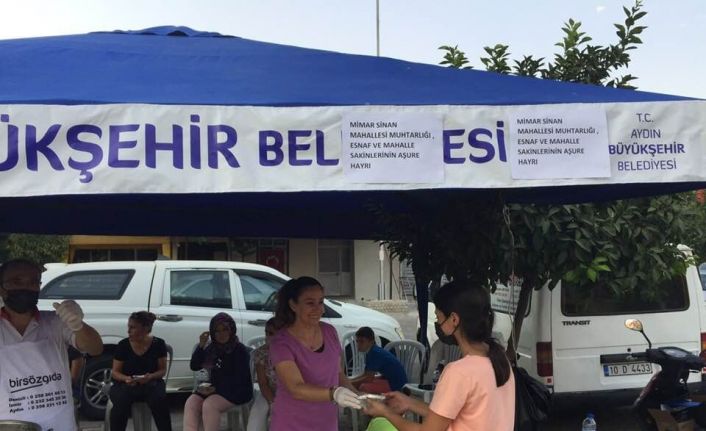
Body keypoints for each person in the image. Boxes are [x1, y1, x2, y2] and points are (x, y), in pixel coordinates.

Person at [364, 280, 515, 431]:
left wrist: (385, 412)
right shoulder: (500, 359)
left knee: (379, 424)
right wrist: (409, 403)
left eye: (438, 317)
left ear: (454, 319)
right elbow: (452, 415)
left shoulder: (459, 372)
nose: (437, 323)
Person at [0, 258, 103, 431]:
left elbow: (95, 348)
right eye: (17, 281)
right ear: (1, 288)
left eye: (33, 282)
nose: (26, 287)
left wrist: (78, 325)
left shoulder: (56, 322)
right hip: (10, 425)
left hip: (59, 423)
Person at [269, 276, 363, 431]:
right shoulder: (281, 342)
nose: (318, 309)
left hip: (327, 421)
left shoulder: (330, 332)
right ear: (293, 305)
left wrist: (359, 397)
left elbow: (338, 374)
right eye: (310, 303)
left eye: (320, 302)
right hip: (291, 423)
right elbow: (295, 388)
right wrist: (334, 394)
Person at [184, 312, 253, 431]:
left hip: (237, 391)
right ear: (212, 332)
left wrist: (215, 389)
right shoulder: (212, 348)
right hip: (216, 390)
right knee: (192, 402)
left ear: (231, 329)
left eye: (225, 329)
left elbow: (240, 380)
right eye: (217, 331)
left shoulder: (239, 350)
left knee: (210, 405)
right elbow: (194, 366)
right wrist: (201, 346)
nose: (221, 334)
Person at [109, 311, 172, 431]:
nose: (128, 331)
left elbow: (162, 370)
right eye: (128, 327)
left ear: (146, 328)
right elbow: (115, 372)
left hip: (150, 383)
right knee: (120, 403)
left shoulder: (158, 344)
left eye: (133, 327)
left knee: (159, 401)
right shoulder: (123, 345)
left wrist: (150, 376)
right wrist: (127, 379)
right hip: (126, 384)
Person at [350, 326, 408, 393]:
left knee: (363, 387)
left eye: (362, 341)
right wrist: (350, 381)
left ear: (371, 342)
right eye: (357, 341)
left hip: (397, 385)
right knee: (359, 383)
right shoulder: (372, 351)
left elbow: (368, 378)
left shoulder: (374, 353)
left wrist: (350, 382)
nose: (358, 344)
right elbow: (366, 375)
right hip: (391, 380)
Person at [246, 318, 278, 431]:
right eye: (266, 332)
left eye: (272, 333)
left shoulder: (293, 351)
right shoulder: (261, 353)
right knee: (256, 417)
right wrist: (272, 402)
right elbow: (263, 383)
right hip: (268, 391)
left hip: (291, 393)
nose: (268, 336)